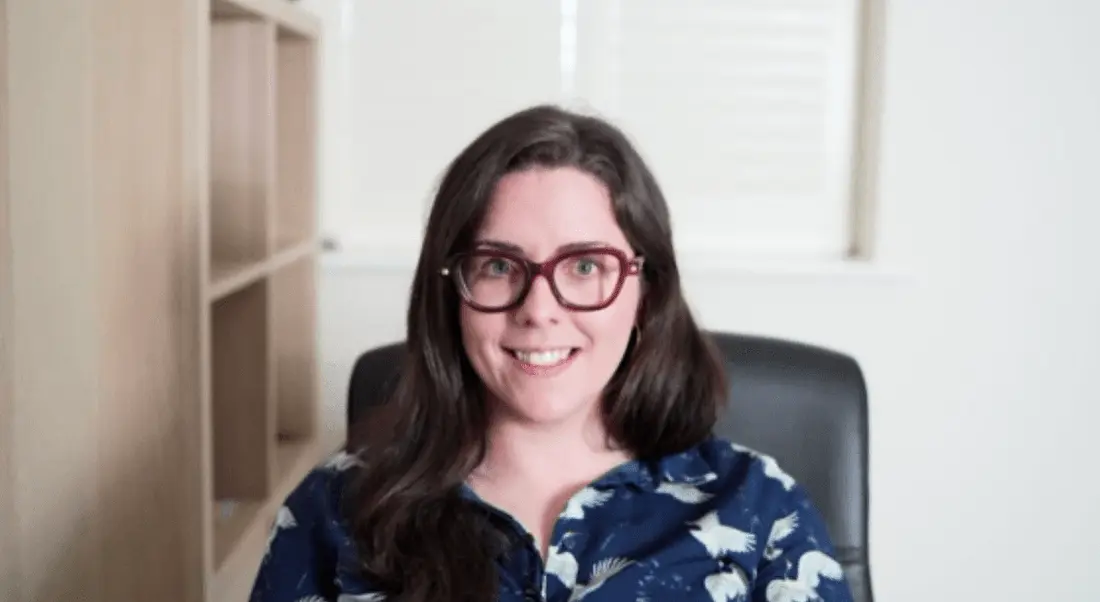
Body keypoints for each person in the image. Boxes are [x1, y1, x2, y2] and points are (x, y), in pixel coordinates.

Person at [249, 104, 854, 602]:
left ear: (646, 291)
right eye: (497, 266)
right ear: (451, 293)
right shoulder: (334, 513)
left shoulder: (760, 509)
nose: (538, 309)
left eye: (586, 265)